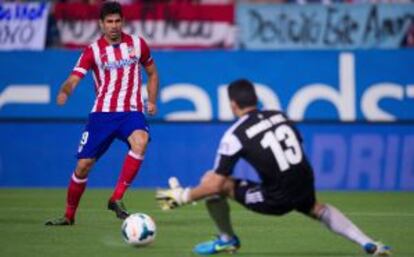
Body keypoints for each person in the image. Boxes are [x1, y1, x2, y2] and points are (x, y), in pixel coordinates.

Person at [156, 79, 391, 256]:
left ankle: (227, 239)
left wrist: (183, 196)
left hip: (276, 198)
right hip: (304, 181)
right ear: (256, 100)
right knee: (316, 208)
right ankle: (368, 243)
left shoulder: (234, 134)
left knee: (215, 182)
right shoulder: (279, 115)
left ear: (233, 104)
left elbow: (216, 183)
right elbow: (297, 145)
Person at [45, 1, 159, 226]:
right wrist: (64, 92)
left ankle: (116, 198)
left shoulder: (138, 44)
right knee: (83, 165)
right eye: (109, 22)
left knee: (141, 140)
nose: (114, 26)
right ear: (101, 24)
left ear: (123, 22)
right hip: (102, 115)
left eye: (117, 21)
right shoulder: (92, 51)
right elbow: (73, 78)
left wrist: (152, 100)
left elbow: (153, 73)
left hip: (131, 111)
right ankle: (69, 216)